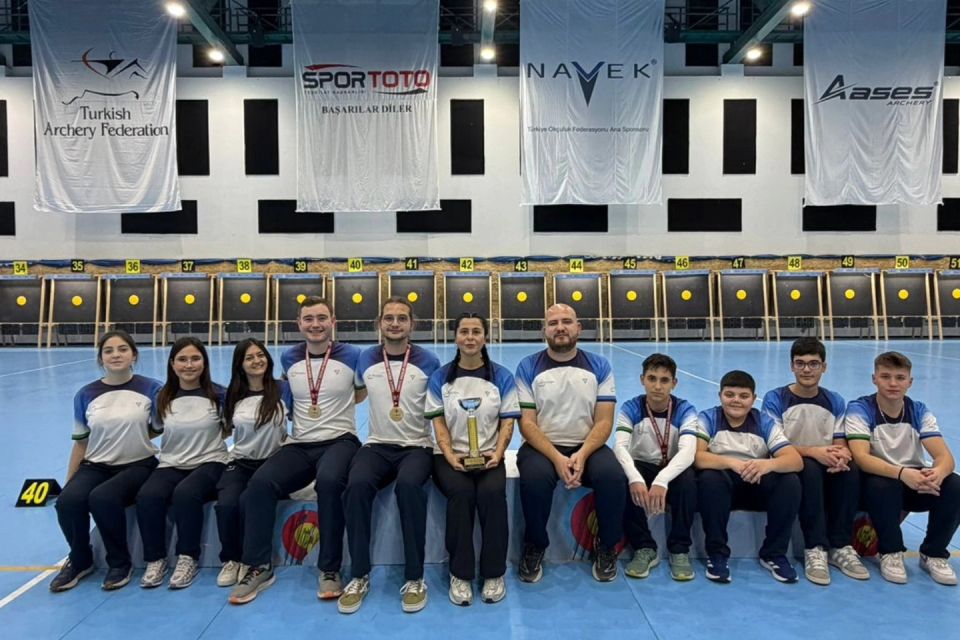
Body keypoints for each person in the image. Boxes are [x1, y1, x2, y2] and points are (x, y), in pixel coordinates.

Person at [229, 296, 364, 605]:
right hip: (300, 443)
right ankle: (258, 566)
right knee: (260, 484)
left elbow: (360, 393)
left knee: (329, 482)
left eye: (322, 318)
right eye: (309, 319)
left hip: (340, 440)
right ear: (299, 324)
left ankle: (329, 568)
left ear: (333, 322)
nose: (315, 324)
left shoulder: (352, 355)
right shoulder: (289, 356)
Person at [338, 297, 440, 614]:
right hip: (378, 445)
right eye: (389, 318)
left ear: (412, 324)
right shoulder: (366, 358)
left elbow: (439, 405)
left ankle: (415, 578)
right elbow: (356, 394)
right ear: (379, 323)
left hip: (417, 446)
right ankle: (359, 575)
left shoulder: (429, 361)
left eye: (402, 318)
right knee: (356, 486)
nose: (395, 323)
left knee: (409, 487)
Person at [514, 304, 626, 583]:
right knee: (534, 480)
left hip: (588, 445)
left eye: (566, 321)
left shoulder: (600, 366)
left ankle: (606, 546)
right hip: (542, 447)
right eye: (553, 323)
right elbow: (527, 424)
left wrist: (583, 454)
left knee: (613, 477)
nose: (560, 327)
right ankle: (535, 545)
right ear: (544, 331)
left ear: (579, 328)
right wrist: (557, 458)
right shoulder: (528, 366)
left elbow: (604, 421)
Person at [50, 330, 162, 592]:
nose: (116, 355)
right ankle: (80, 560)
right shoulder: (86, 394)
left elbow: (158, 428)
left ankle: (120, 563)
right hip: (96, 465)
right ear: (101, 358)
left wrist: (131, 437)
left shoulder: (153, 389)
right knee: (67, 501)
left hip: (138, 464)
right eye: (108, 351)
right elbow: (81, 442)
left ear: (134, 355)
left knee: (103, 497)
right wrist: (70, 481)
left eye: (122, 349)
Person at [426, 314, 519, 606]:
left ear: (485, 337)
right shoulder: (440, 377)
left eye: (476, 331)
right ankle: (460, 573)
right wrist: (450, 454)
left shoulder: (502, 376)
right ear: (455, 337)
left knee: (492, 494)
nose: (470, 337)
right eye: (464, 331)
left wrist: (498, 453)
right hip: (448, 457)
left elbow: (507, 422)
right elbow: (438, 422)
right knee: (461, 493)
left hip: (489, 455)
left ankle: (494, 573)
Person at [846, 351, 960, 585]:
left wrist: (937, 474)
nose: (893, 383)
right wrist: (902, 473)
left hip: (914, 481)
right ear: (874, 379)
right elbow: (861, 457)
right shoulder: (860, 409)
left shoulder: (918, 411)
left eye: (900, 378)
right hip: (877, 484)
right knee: (882, 485)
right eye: (885, 377)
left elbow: (944, 457)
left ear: (910, 382)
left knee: (955, 485)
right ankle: (890, 552)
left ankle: (934, 553)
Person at [761, 337, 867, 586]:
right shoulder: (775, 398)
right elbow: (774, 444)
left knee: (850, 470)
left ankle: (840, 545)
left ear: (824, 367)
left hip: (824, 460)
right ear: (792, 366)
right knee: (809, 469)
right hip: (789, 463)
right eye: (800, 363)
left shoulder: (835, 400)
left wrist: (841, 456)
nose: (806, 369)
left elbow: (840, 441)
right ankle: (815, 547)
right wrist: (814, 452)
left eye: (813, 364)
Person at [694, 370, 803, 584]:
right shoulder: (708, 418)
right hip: (721, 487)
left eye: (743, 396)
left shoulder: (764, 422)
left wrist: (767, 464)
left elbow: (795, 460)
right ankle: (717, 554)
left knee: (790, 481)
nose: (736, 400)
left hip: (756, 483)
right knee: (709, 478)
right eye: (730, 394)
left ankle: (774, 554)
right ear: (719, 396)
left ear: (754, 399)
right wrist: (732, 463)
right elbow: (697, 457)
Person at [136, 337, 227, 589]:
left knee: (186, 493)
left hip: (211, 461)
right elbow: (155, 428)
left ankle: (188, 557)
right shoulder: (163, 397)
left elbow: (228, 428)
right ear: (172, 364)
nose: (189, 365)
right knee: (148, 496)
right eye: (182, 359)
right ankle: (155, 559)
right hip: (171, 463)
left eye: (195, 359)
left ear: (204, 363)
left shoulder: (220, 395)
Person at [613, 353, 699, 581]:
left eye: (664, 380)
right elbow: (619, 447)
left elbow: (688, 451)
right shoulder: (631, 407)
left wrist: (662, 480)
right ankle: (644, 547)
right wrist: (634, 477)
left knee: (689, 480)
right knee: (622, 477)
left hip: (671, 469)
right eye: (652, 379)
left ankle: (679, 549)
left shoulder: (685, 410)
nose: (658, 386)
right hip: (642, 466)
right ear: (642, 380)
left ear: (674, 383)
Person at [215, 338, 288, 588]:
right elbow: (225, 429)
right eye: (249, 358)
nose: (257, 361)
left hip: (272, 463)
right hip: (241, 461)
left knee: (249, 500)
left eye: (260, 355)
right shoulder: (232, 395)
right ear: (240, 364)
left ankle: (251, 560)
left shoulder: (282, 390)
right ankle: (231, 559)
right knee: (226, 504)